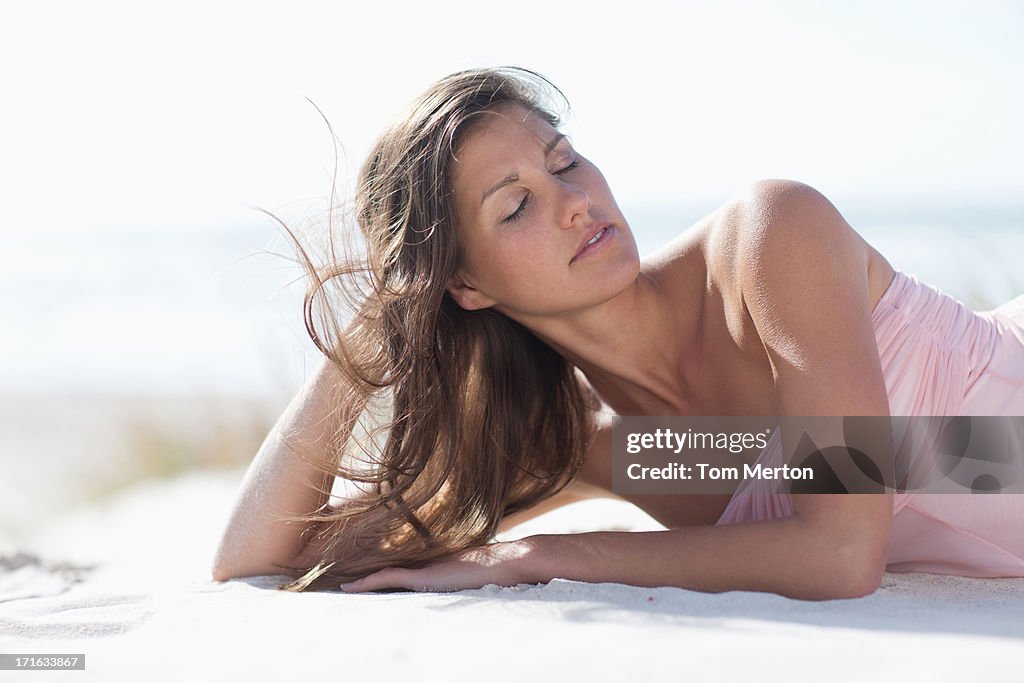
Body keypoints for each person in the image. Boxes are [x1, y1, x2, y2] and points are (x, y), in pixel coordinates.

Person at [211, 66, 1024, 600]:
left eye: (564, 160)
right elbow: (262, 561)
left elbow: (843, 551)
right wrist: (372, 336)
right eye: (516, 205)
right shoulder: (593, 446)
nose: (574, 201)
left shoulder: (769, 241)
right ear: (462, 283)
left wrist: (547, 553)